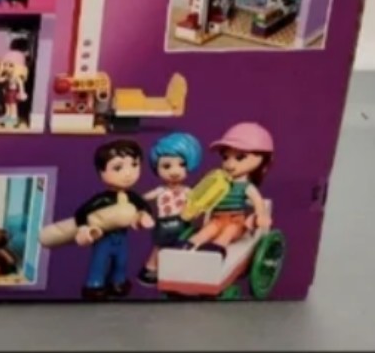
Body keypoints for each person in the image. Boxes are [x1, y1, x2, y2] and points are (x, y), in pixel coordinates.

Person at [73, 139, 152, 300]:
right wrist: (84, 228)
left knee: (121, 262)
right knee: (99, 262)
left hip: (121, 238)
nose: (128, 173)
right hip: (104, 238)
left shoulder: (132, 197)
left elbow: (144, 207)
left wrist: (143, 216)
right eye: (118, 168)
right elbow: (81, 213)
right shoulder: (102, 200)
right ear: (101, 171)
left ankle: (118, 282)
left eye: (134, 165)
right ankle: (95, 285)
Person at [187, 122, 274, 253]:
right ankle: (189, 245)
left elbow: (258, 202)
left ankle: (217, 248)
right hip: (216, 219)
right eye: (225, 157)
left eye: (240, 157)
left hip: (235, 222)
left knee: (228, 232)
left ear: (261, 159)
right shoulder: (219, 182)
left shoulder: (246, 187)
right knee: (207, 231)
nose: (229, 164)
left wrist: (261, 215)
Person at [138, 132, 202, 285]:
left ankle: (176, 270)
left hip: (183, 222)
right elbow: (144, 198)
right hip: (164, 224)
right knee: (160, 247)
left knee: (182, 246)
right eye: (166, 166)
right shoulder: (160, 190)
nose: (174, 171)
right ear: (157, 167)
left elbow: (197, 203)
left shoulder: (188, 191)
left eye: (182, 164)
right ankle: (151, 268)